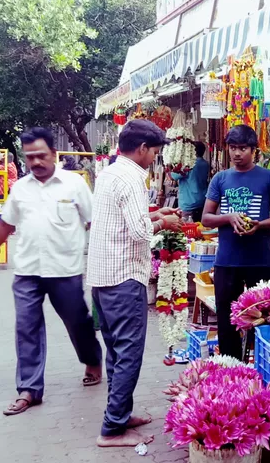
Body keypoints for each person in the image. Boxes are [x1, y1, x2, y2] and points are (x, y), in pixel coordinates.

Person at [0, 127, 103, 416]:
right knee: (26, 328)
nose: (35, 162)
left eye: (41, 156)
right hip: (27, 271)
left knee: (78, 323)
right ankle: (29, 389)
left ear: (54, 154)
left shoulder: (74, 184)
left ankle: (92, 360)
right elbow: (5, 225)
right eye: (29, 157)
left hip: (65, 270)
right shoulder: (20, 188)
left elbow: (95, 222)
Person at [87, 119, 181, 448]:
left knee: (116, 350)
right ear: (142, 149)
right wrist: (164, 222)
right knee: (129, 352)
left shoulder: (111, 173)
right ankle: (112, 429)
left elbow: (127, 222)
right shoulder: (131, 178)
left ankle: (120, 413)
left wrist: (156, 216)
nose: (154, 158)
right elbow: (140, 232)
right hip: (124, 277)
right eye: (154, 153)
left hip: (103, 276)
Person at [202, 125, 270, 359]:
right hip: (227, 262)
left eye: (243, 148)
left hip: (259, 262)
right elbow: (206, 218)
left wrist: (260, 225)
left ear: (254, 150)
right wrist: (229, 217)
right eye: (233, 148)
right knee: (227, 319)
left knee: (262, 318)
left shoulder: (268, 177)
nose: (237, 153)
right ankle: (232, 367)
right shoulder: (220, 179)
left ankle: (261, 363)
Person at [171, 141, 209, 223]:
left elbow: (173, 176)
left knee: (187, 231)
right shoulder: (206, 164)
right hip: (202, 202)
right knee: (200, 229)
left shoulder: (188, 165)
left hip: (188, 204)